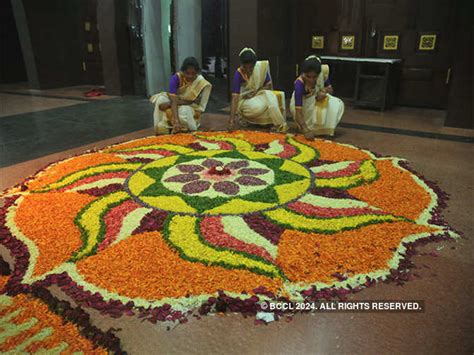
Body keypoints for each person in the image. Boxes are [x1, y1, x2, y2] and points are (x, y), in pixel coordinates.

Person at [229, 48, 287, 132]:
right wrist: (231, 120)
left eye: (251, 67)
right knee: (256, 108)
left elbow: (268, 84)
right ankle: (248, 119)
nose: (248, 70)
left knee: (276, 96)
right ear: (241, 64)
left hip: (258, 95)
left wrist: (256, 92)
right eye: (245, 67)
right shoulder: (239, 74)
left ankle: (272, 123)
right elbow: (235, 97)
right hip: (245, 100)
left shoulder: (260, 67)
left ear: (255, 64)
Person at [150, 57, 212, 134]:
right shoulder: (176, 78)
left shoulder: (199, 82)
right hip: (175, 103)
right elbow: (173, 99)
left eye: (193, 74)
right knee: (160, 99)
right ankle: (161, 127)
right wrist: (176, 120)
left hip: (189, 107)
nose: (190, 76)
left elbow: (196, 103)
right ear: (183, 72)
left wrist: (170, 104)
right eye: (187, 73)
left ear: (197, 72)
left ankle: (189, 129)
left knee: (185, 110)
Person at [290, 55, 345, 139]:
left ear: (318, 74)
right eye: (308, 76)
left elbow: (331, 90)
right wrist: (306, 130)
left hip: (315, 101)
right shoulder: (299, 83)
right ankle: (308, 128)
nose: (311, 80)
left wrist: (324, 91)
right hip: (302, 106)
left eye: (314, 77)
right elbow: (298, 111)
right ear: (304, 74)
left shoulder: (322, 74)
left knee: (336, 103)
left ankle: (322, 130)